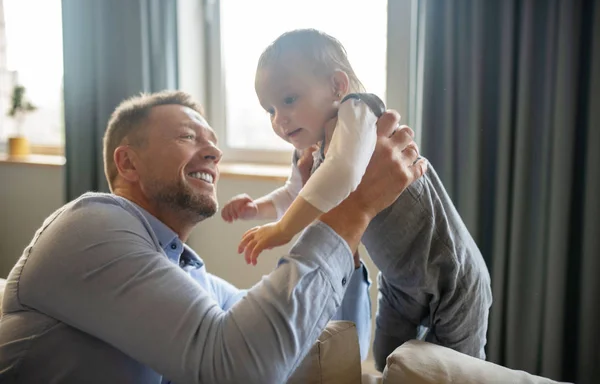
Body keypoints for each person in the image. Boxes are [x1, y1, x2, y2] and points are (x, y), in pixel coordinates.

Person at [0, 90, 426, 383]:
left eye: (215, 143)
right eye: (188, 136)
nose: (214, 153)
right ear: (127, 163)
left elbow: (318, 339)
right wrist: (354, 211)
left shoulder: (191, 278)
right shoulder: (91, 224)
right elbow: (237, 369)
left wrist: (336, 211)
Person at [221, 29, 493, 370]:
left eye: (288, 100)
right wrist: (256, 209)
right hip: (399, 284)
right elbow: (296, 194)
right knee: (388, 365)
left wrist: (282, 230)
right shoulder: (310, 152)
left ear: (337, 85)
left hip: (451, 276)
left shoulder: (358, 113)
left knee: (456, 373)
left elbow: (344, 172)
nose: (279, 119)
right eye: (270, 110)